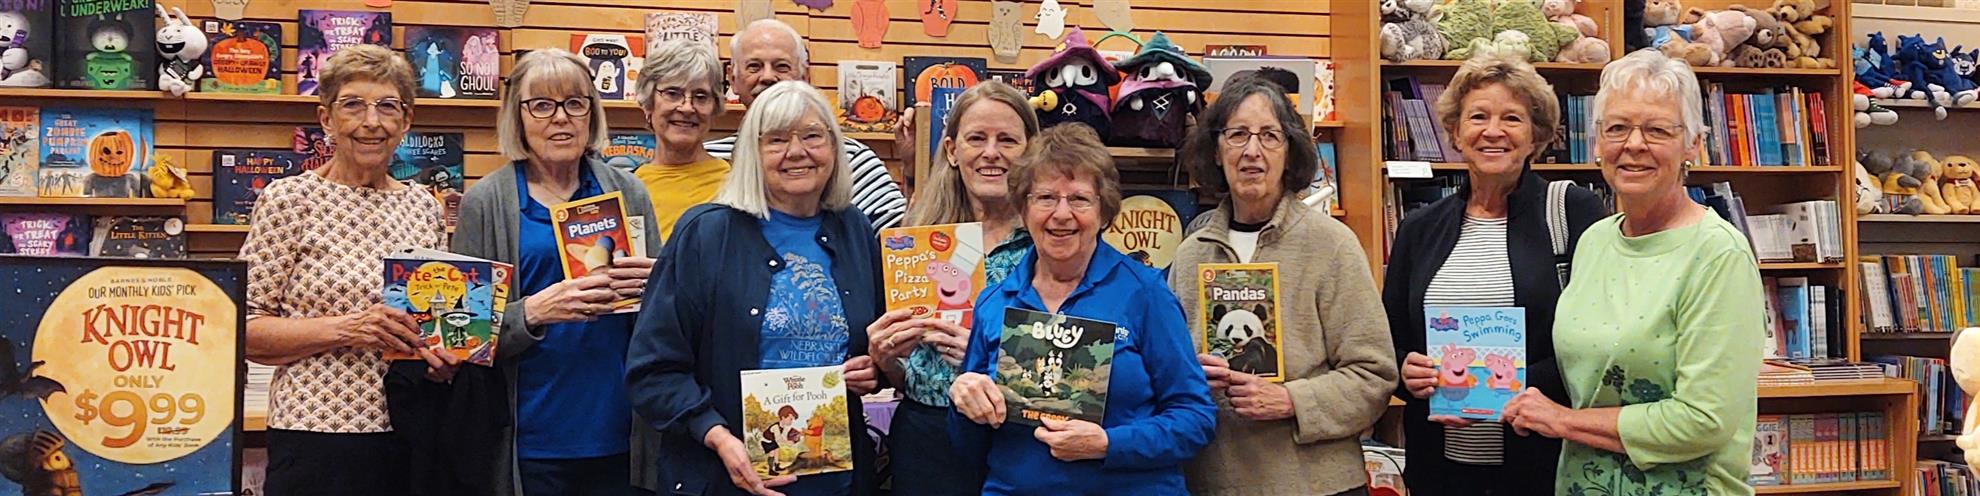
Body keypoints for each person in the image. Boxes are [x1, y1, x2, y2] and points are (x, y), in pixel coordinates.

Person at [1501, 49, 1764, 495]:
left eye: (1657, 129)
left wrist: (1564, 421)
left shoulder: (1718, 255)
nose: (1634, 144)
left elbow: (1704, 420)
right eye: (1618, 128)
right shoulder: (1595, 242)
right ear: (1597, 143)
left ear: (1693, 144)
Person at [627, 80, 883, 496]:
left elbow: (874, 342)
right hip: (725, 477)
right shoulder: (706, 234)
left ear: (835, 148)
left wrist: (873, 368)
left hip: (836, 478)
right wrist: (716, 435)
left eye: (812, 136)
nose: (796, 151)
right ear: (751, 153)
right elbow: (652, 370)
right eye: (777, 140)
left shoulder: (854, 229)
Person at [1384, 52, 1610, 496]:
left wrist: (1508, 385)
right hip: (1441, 470)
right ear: (1455, 132)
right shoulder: (1419, 228)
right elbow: (1390, 341)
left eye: (1512, 118)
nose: (1493, 131)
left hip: (1540, 465)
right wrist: (1406, 372)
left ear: (1536, 135)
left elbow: (1598, 340)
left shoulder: (1572, 213)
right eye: (1478, 117)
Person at [948, 124, 1217, 495]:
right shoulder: (995, 302)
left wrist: (1108, 444)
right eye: (1045, 198)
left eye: (1079, 199)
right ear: (1023, 209)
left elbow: (1195, 418)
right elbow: (968, 447)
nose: (1062, 214)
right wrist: (963, 401)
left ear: (1104, 212)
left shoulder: (1145, 294)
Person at [239, 44, 457, 496]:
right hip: (314, 434)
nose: (371, 121)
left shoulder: (423, 206)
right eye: (353, 105)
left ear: (406, 121)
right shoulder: (289, 199)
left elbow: (432, 321)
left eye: (387, 107)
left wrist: (442, 358)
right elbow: (243, 329)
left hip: (410, 429)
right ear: (326, 119)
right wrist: (350, 328)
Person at [1164, 78, 1398, 496]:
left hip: (1317, 485)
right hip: (1214, 482)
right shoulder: (1190, 254)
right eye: (1237, 134)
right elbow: (1164, 373)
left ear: (1289, 152)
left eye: (1269, 135)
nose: (1252, 151)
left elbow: (1374, 376)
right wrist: (1188, 376)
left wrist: (1293, 401)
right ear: (1216, 151)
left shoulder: (1331, 245)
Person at [452, 48, 664, 496]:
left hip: (618, 430)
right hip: (530, 438)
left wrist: (656, 285)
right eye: (542, 105)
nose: (561, 118)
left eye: (574, 103)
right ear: (518, 115)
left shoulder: (629, 192)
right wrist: (531, 312)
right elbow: (462, 335)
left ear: (592, 112)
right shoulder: (485, 203)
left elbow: (664, 317)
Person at [866, 80, 1038, 496]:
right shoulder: (917, 239)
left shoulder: (1049, 243)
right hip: (926, 435)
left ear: (1031, 151)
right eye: (976, 138)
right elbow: (910, 376)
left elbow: (1075, 367)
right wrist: (885, 359)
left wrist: (987, 357)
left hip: (1018, 437)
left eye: (1007, 140)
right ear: (951, 151)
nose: (991, 152)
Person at [704, 18, 908, 230]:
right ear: (733, 79)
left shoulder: (854, 160)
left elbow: (901, 238)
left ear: (805, 76)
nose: (768, 77)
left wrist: (913, 171)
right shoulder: (710, 160)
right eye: (754, 66)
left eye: (781, 66)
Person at [633, 38, 730, 242]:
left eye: (701, 96)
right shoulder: (626, 188)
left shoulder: (737, 184)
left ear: (715, 107)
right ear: (648, 103)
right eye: (672, 93)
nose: (687, 108)